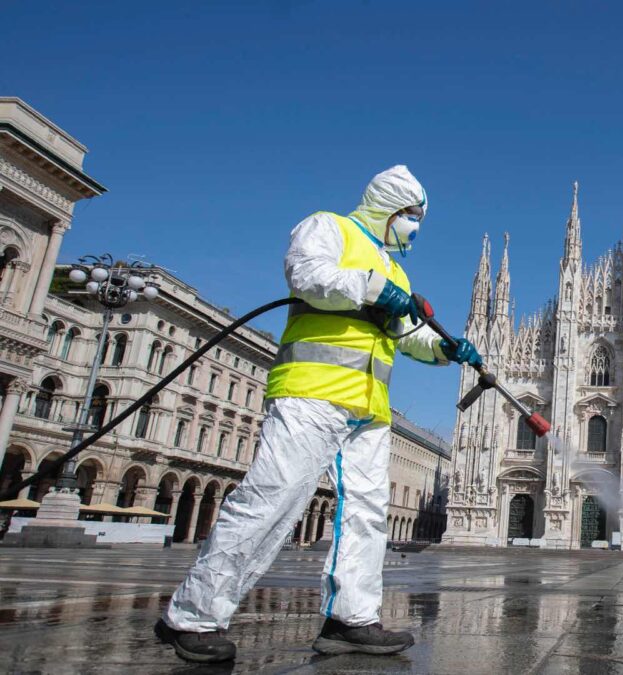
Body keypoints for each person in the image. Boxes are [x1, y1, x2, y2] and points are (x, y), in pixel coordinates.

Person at [154, 166, 481, 663]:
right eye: (412, 216)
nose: (415, 227)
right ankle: (194, 616)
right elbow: (308, 277)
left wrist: (444, 349)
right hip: (311, 392)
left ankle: (351, 618)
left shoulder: (393, 269)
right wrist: (372, 288)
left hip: (368, 409)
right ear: (390, 209)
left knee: (366, 517)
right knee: (273, 501)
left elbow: (405, 334)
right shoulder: (329, 227)